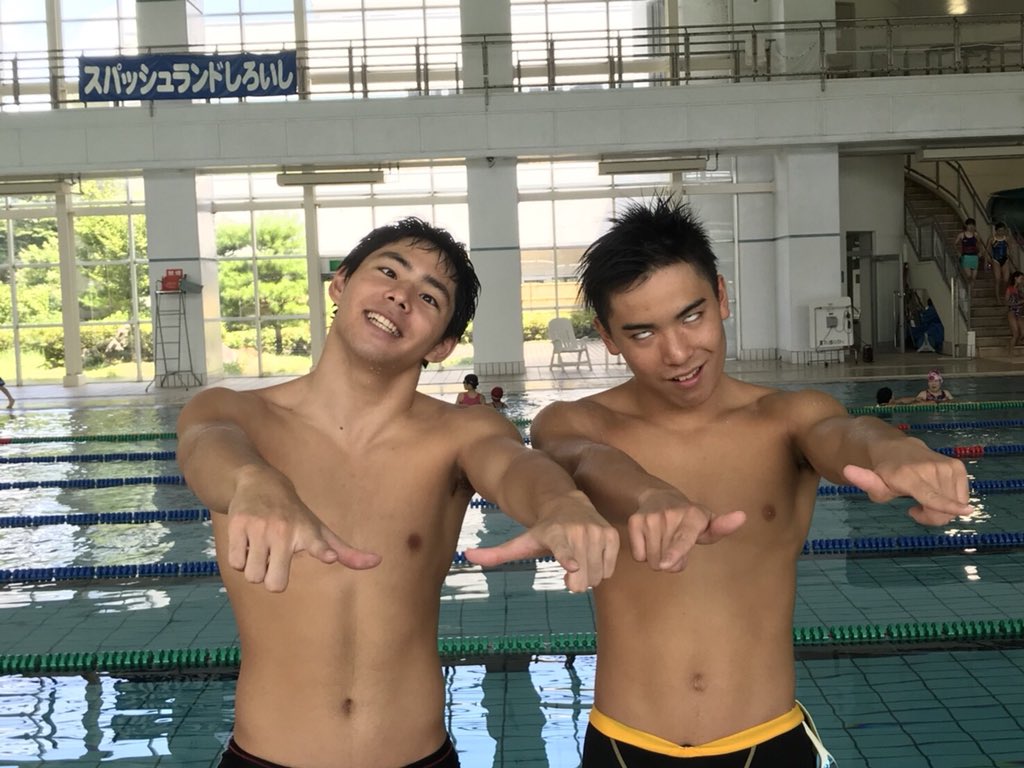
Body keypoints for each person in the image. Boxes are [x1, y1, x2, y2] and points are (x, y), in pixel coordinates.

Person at [505, 195, 970, 767]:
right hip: (625, 746)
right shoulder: (575, 421)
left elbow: (842, 433)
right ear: (607, 335)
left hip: (766, 743)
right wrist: (647, 492)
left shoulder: (787, 417)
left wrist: (891, 447)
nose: (678, 352)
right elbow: (581, 458)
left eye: (691, 316)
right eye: (643, 333)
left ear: (722, 297)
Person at [176, 217, 619, 768]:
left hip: (418, 757)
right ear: (341, 283)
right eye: (388, 271)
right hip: (265, 757)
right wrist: (253, 482)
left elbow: (512, 465)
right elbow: (205, 447)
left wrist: (560, 502)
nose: (401, 296)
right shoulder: (236, 414)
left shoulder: (462, 432)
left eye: (429, 298)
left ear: (443, 345)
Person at [988, 222, 1014, 300]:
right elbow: (988, 250)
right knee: (997, 279)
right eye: (999, 230)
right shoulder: (992, 238)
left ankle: (1003, 293)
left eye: (1003, 230)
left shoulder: (1006, 238)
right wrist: (988, 260)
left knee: (1006, 279)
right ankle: (998, 297)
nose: (1001, 232)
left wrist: (1011, 256)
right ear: (996, 230)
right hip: (996, 260)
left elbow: (1010, 248)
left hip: (1005, 259)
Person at [954, 217, 982, 288]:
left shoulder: (976, 235)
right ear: (966, 225)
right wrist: (958, 252)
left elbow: (979, 244)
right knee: (969, 276)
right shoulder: (961, 235)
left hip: (974, 257)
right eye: (969, 225)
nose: (971, 226)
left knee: (974, 277)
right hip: (966, 257)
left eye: (972, 225)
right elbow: (955, 244)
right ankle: (968, 289)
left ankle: (971, 290)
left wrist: (980, 252)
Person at [1005, 270, 1024, 357]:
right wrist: (1017, 303)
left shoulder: (1020, 290)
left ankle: (1015, 343)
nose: (1022, 280)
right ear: (1016, 278)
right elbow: (1006, 302)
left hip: (1019, 312)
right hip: (1012, 312)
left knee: (1023, 333)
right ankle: (1010, 352)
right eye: (1021, 278)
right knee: (1015, 334)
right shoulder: (1010, 289)